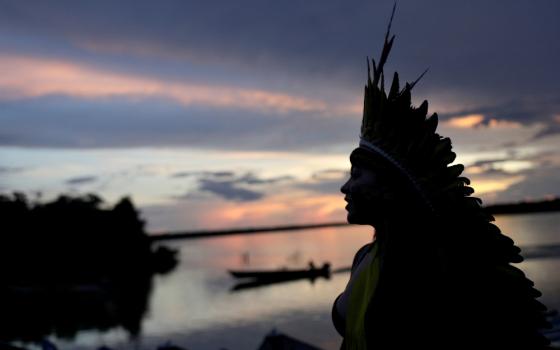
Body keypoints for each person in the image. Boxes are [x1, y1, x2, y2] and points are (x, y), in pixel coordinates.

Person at [332, 10, 551, 350]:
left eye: (357, 174)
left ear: (392, 188)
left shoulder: (448, 270)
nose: (345, 188)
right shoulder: (365, 256)